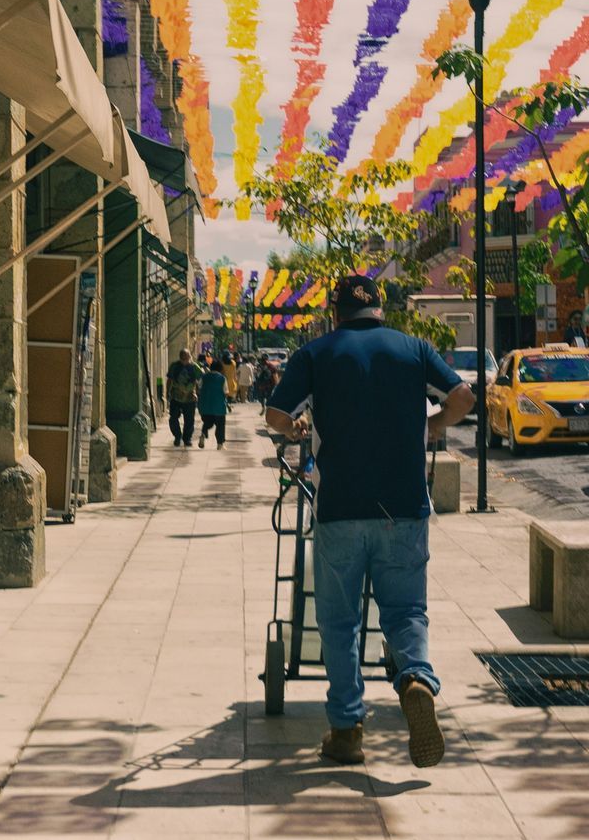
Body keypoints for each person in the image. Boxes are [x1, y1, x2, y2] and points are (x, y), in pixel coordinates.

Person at [265, 271, 475, 769]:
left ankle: (346, 729)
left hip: (340, 507)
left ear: (335, 312)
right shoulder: (413, 348)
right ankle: (417, 679)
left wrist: (296, 428)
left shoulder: (316, 353)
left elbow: (275, 415)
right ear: (380, 308)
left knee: (339, 622)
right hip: (403, 508)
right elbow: (463, 397)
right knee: (405, 612)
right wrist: (432, 425)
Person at [165, 351, 201, 448]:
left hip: (190, 397)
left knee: (189, 420)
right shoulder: (174, 366)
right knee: (173, 418)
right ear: (180, 357)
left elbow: (199, 381)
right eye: (183, 357)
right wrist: (167, 392)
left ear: (190, 356)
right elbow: (170, 379)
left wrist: (197, 393)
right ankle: (177, 436)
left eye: (186, 357)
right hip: (176, 396)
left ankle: (187, 439)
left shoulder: (194, 367)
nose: (185, 359)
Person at [196, 351, 232, 448]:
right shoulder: (222, 378)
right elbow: (226, 392)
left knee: (207, 422)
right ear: (220, 369)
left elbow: (199, 388)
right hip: (218, 406)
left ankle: (203, 435)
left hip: (205, 405)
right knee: (220, 425)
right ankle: (220, 444)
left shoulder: (204, 377)